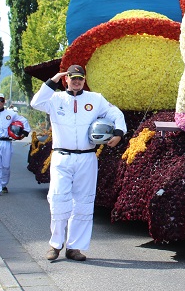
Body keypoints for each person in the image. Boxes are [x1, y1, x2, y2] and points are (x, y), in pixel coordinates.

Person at [31, 64, 126, 262]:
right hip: (61, 157)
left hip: (86, 157)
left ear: (84, 80)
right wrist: (52, 80)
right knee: (58, 199)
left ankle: (75, 247)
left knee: (83, 201)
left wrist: (118, 133)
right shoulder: (55, 99)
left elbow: (116, 114)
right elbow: (35, 103)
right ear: (66, 80)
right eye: (72, 78)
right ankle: (55, 244)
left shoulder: (95, 99)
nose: (76, 81)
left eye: (80, 78)